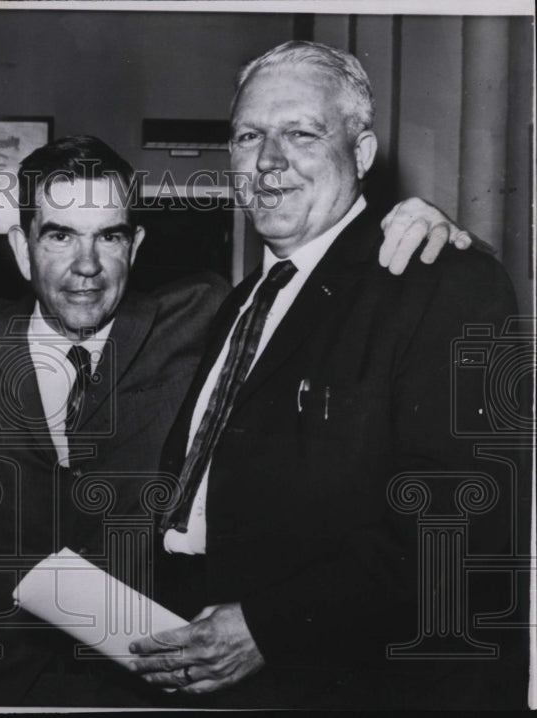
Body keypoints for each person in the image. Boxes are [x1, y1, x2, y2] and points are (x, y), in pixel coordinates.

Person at [0, 130, 478, 706]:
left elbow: (320, 295)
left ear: (137, 245)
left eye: (110, 236)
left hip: (155, 693)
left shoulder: (208, 321)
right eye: (59, 234)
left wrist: (409, 230)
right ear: (21, 250)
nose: (87, 264)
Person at [126, 41, 526, 709]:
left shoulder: (443, 282)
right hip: (214, 670)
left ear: (362, 153)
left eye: (301, 134)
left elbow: (455, 528)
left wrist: (264, 628)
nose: (269, 160)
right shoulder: (242, 301)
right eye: (249, 135)